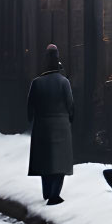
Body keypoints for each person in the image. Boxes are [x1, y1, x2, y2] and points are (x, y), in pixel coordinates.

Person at [27, 44, 75, 205]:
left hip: (42, 125)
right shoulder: (64, 82)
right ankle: (55, 194)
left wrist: (32, 119)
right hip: (61, 125)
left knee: (45, 161)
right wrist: (70, 119)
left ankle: (47, 192)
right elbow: (70, 105)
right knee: (60, 162)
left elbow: (30, 106)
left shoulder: (36, 82)